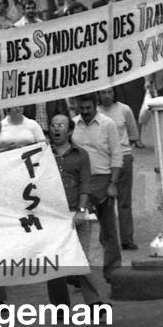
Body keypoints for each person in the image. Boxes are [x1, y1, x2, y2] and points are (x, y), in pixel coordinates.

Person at [49, 113, 106, 307]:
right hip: (53, 217)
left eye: (61, 125)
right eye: (53, 125)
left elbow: (86, 185)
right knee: (54, 263)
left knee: (80, 260)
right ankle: (59, 306)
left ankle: (94, 303)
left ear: (70, 131)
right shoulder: (43, 155)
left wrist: (81, 210)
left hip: (77, 214)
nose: (56, 128)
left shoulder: (81, 155)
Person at [71, 94, 122, 283]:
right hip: (80, 182)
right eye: (81, 108)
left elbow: (117, 155)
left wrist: (113, 184)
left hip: (103, 179)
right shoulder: (73, 124)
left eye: (88, 108)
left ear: (95, 106)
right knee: (78, 227)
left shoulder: (108, 124)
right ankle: (77, 273)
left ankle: (113, 270)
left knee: (108, 228)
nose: (84, 112)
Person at [97, 88, 139, 250]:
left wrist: (123, 153)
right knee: (105, 202)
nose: (106, 96)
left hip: (123, 157)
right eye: (103, 93)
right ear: (98, 95)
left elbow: (133, 135)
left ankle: (127, 238)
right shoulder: (95, 112)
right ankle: (108, 237)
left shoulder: (124, 110)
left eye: (109, 92)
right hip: (103, 160)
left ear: (115, 93)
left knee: (124, 201)